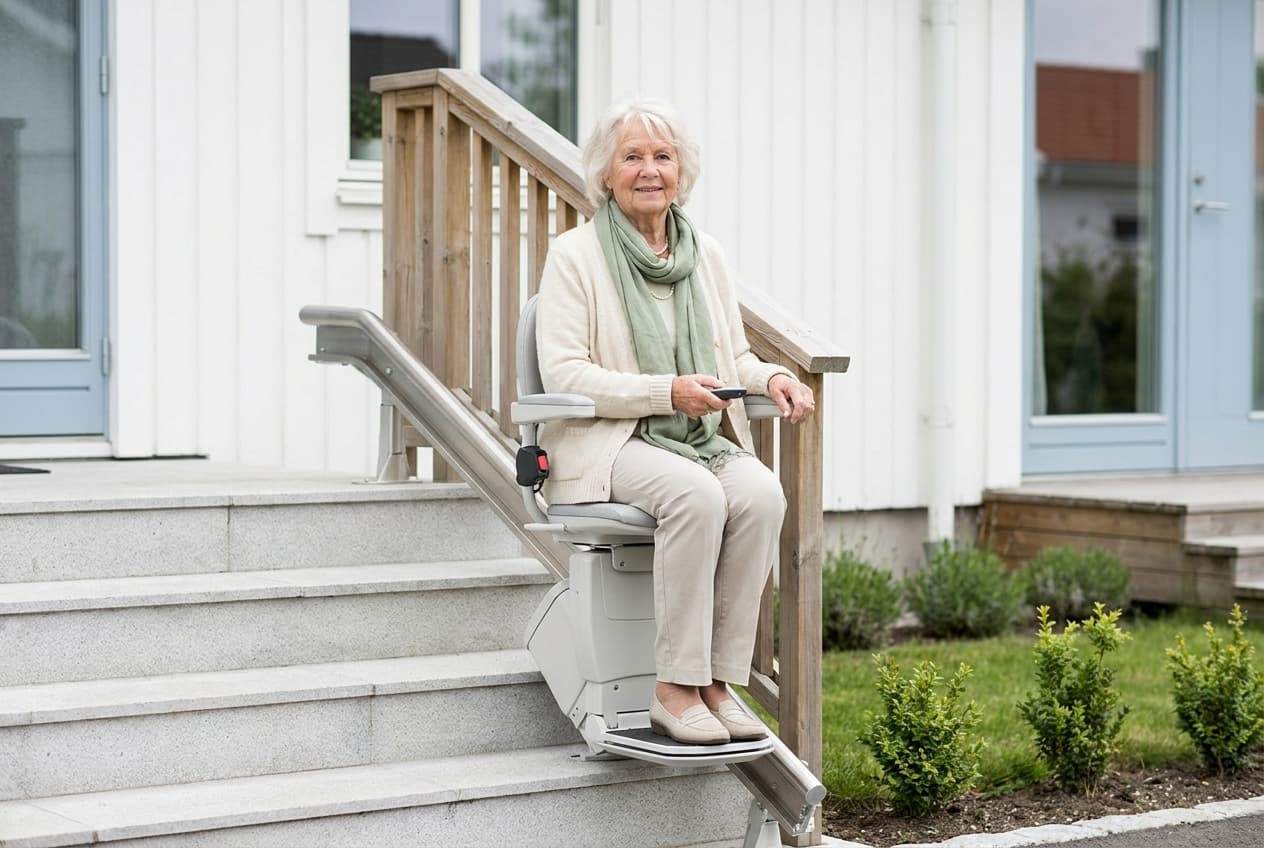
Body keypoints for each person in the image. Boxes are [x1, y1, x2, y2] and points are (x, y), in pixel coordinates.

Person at [535, 97, 816, 745]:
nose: (649, 170)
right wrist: (667, 392)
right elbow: (566, 375)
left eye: (663, 157)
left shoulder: (704, 255)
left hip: (690, 439)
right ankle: (673, 688)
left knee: (760, 492)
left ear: (681, 173)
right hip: (609, 442)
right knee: (696, 495)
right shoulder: (576, 256)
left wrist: (770, 377)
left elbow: (732, 355)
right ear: (605, 174)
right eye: (632, 156)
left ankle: (718, 682)